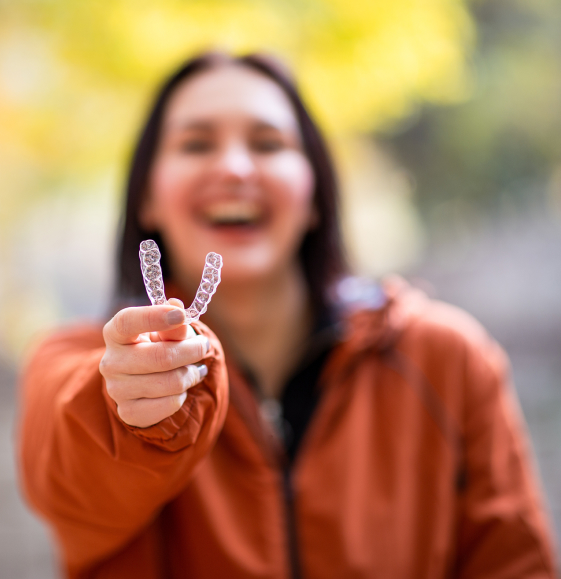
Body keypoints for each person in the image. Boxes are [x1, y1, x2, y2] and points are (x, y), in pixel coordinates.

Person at [18, 52, 557, 578]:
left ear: (315, 194)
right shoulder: (75, 366)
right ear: (147, 198)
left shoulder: (448, 361)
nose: (233, 167)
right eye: (196, 143)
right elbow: (66, 468)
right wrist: (125, 410)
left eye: (268, 143)